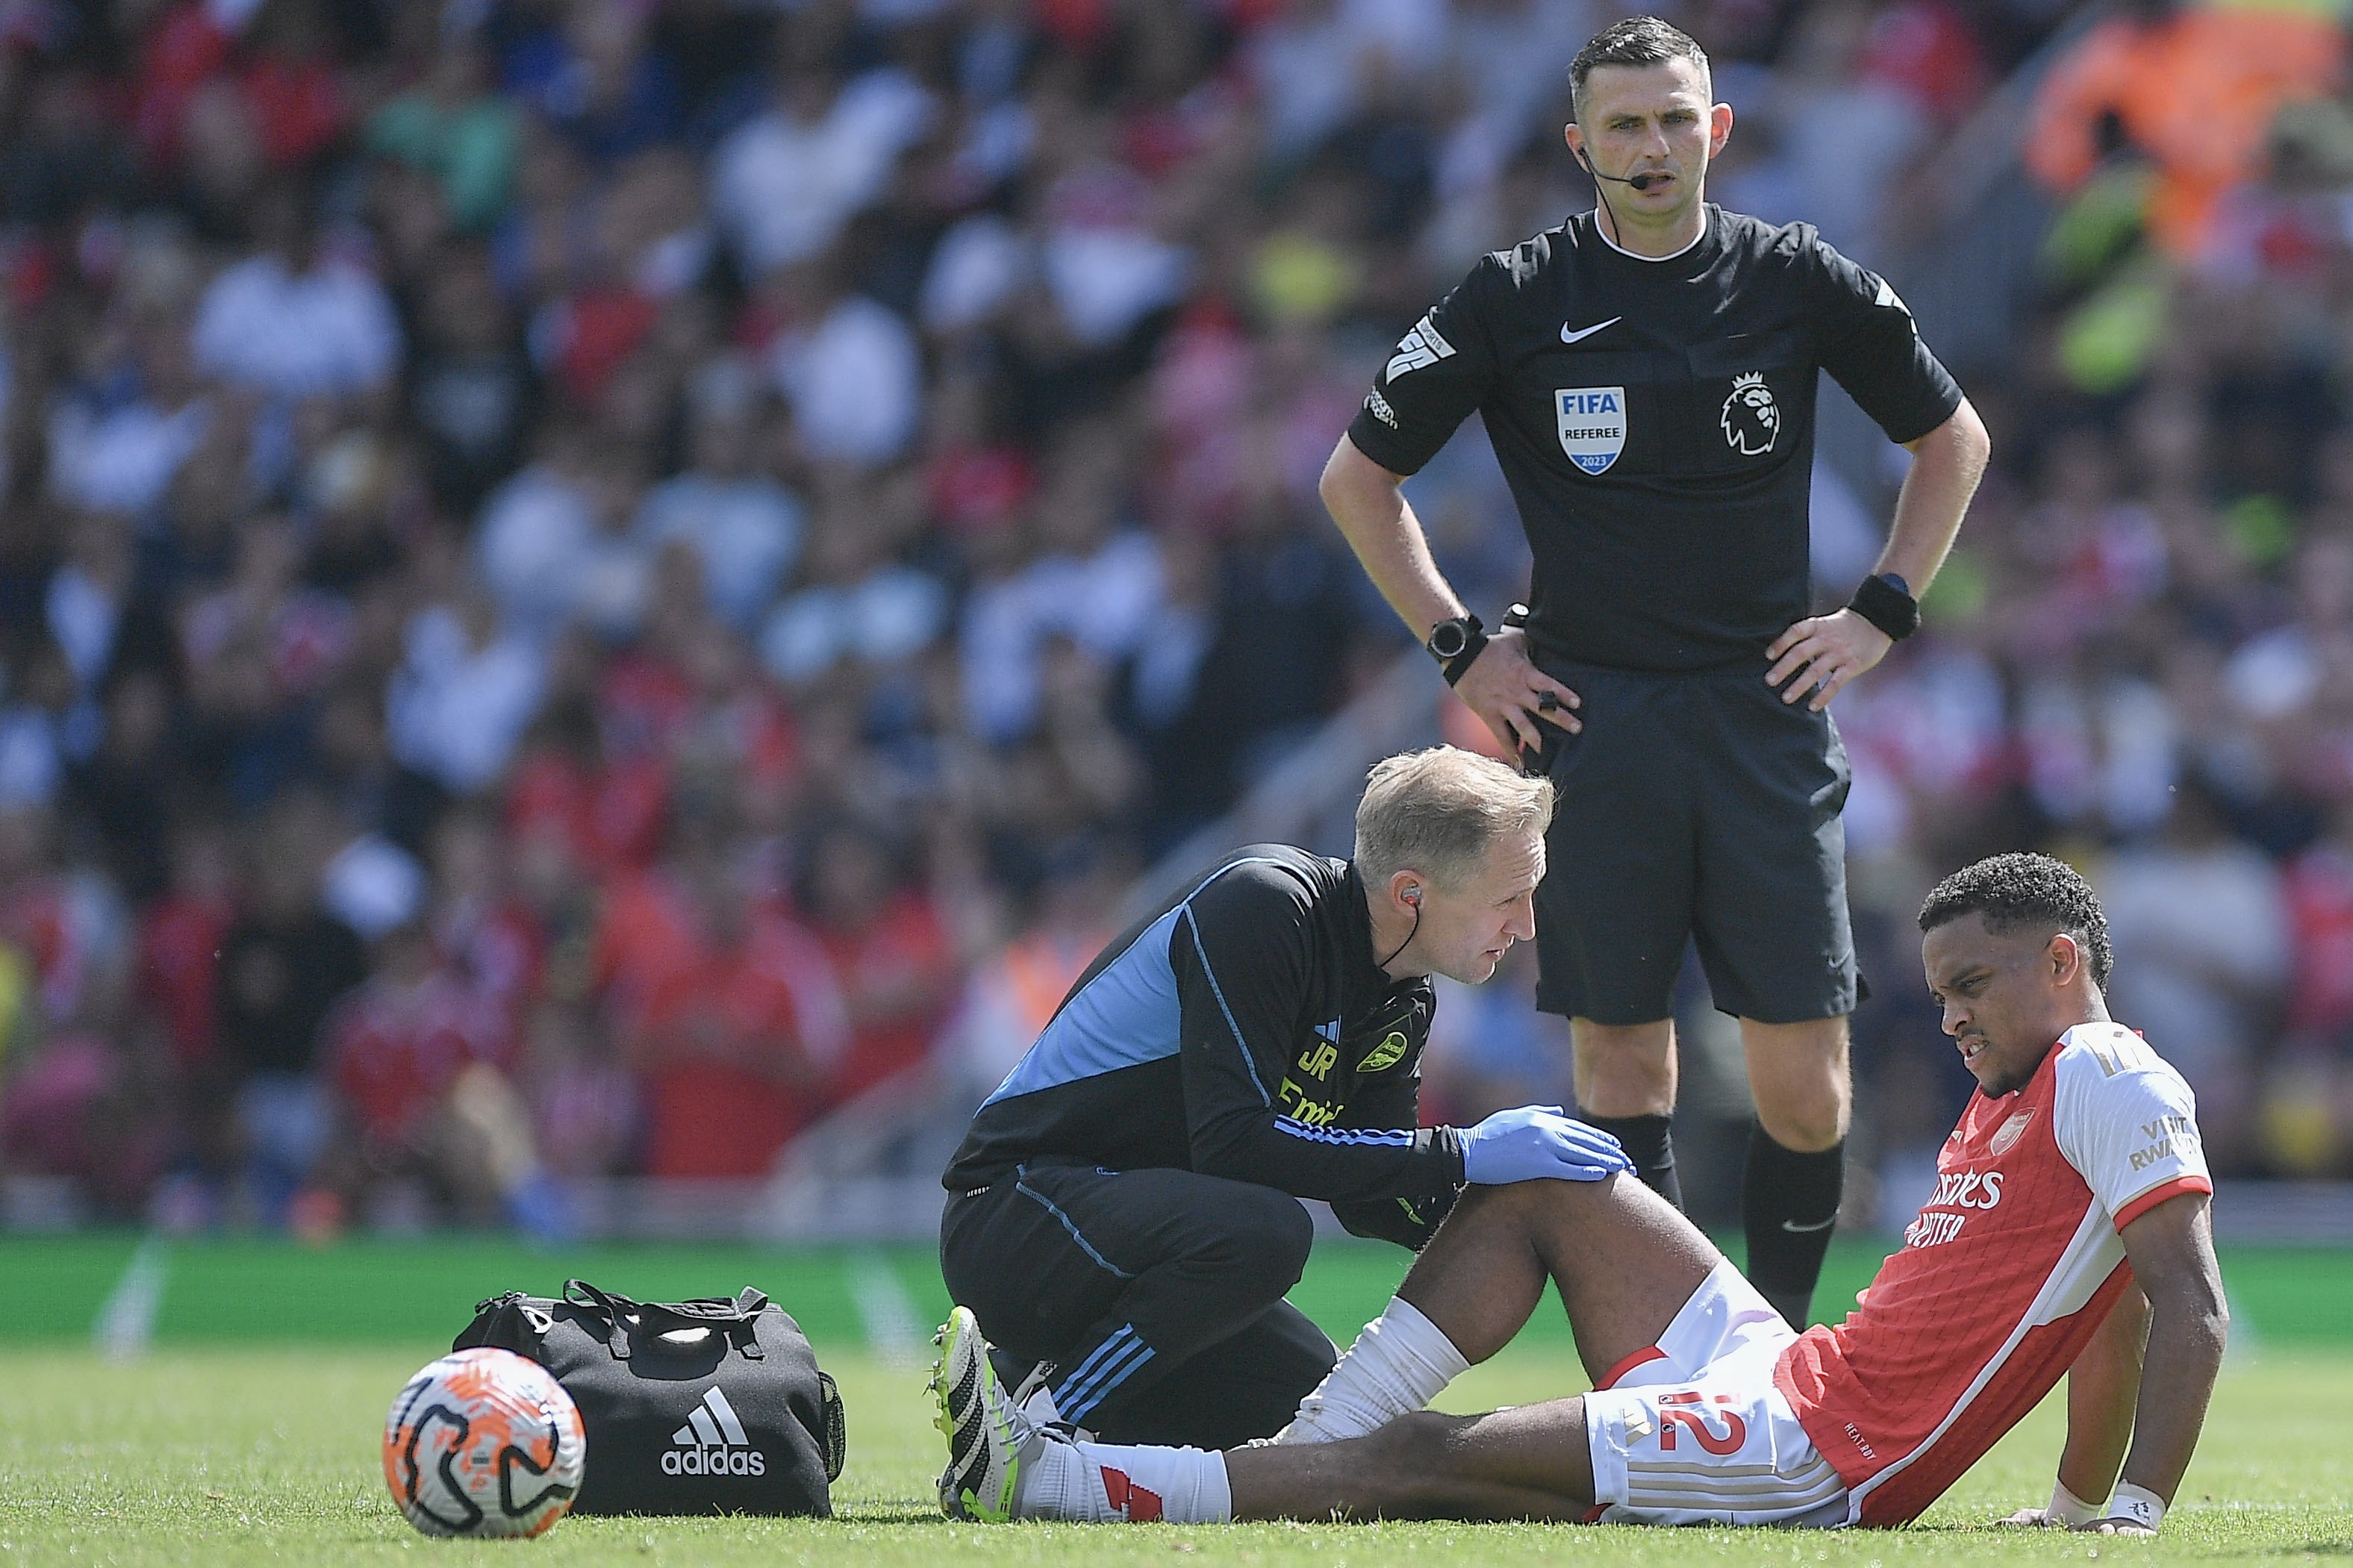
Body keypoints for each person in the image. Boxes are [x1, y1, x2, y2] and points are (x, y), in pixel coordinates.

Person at [1317, 14, 1995, 1328]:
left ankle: (1784, 1350)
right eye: (1622, 124)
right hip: (1591, 717)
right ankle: (1670, 1360)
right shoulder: (1515, 295)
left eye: (1674, 118)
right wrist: (1464, 648)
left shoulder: (1793, 278)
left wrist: (1879, 612)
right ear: (1578, 144)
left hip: (1764, 712)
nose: (1650, 145)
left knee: (1810, 1085)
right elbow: (1358, 481)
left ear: (1715, 132)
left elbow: (1950, 438)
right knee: (1622, 1064)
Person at [933, 852, 2226, 1536]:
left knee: (1412, 1462)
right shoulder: (2022, 1095)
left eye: (1973, 987)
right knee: (1549, 1174)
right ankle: (1301, 1447)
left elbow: (2181, 1305)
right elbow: (2103, 1312)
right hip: (1784, 1372)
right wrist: (2065, 1506)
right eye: (1938, 993)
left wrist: (2125, 1517)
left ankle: (1056, 1484)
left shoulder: (2109, 1072)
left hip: (1810, 1456)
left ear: (2062, 962)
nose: (1946, 1017)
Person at [936, 746, 1631, 1450]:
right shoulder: (1266, 907)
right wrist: (1466, 1150)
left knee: (1332, 1431)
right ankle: (1029, 1430)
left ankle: (1031, 1374)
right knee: (1267, 1232)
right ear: (1410, 893)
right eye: (1509, 897)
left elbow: (1375, 1195)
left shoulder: (1406, 994)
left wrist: (1529, 1215)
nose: (1527, 926)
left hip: (1124, 1251)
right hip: (1011, 1216)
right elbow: (1234, 1144)